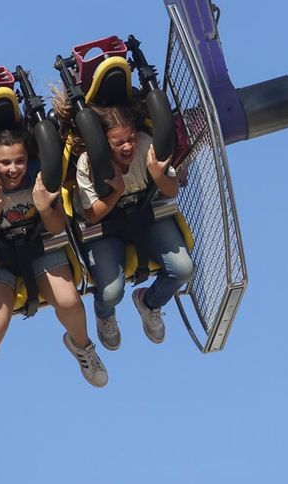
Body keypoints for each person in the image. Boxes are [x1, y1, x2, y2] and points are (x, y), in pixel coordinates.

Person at [0, 128, 108, 441]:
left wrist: (44, 205)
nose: (13, 169)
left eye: (19, 161)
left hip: (37, 247)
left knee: (69, 302)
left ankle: (82, 347)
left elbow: (56, 226)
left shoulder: (38, 175)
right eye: (5, 162)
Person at [57, 97, 194, 351]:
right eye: (119, 142)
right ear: (104, 142)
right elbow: (93, 215)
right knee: (111, 292)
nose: (128, 146)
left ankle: (149, 303)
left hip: (146, 216)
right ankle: (105, 314)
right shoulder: (89, 162)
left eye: (130, 138)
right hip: (104, 228)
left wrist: (157, 175)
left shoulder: (145, 145)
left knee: (183, 269)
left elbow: (172, 189)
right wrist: (116, 192)